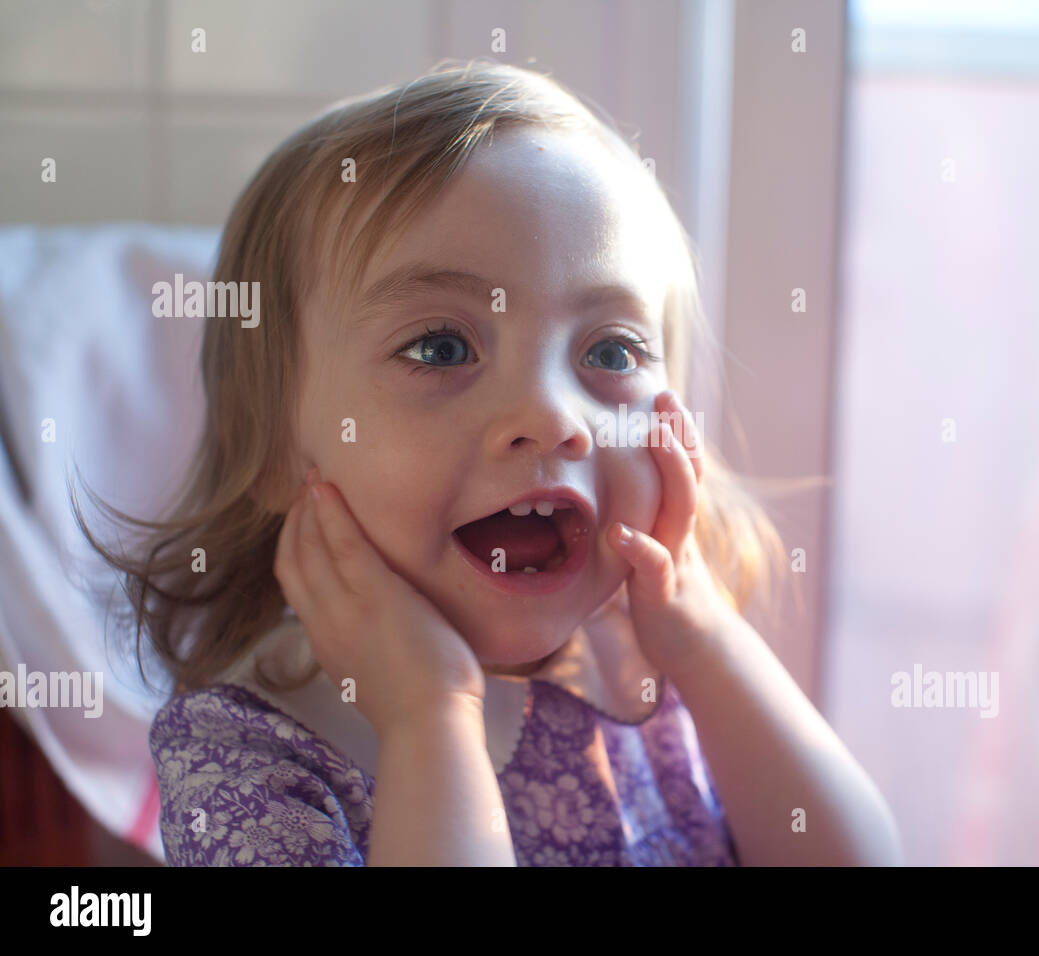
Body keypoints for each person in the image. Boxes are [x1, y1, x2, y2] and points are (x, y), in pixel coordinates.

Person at [75, 59, 902, 866]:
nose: (550, 416)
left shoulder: (648, 658)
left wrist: (705, 640)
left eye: (611, 350)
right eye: (441, 346)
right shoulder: (250, 752)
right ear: (276, 450)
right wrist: (429, 716)